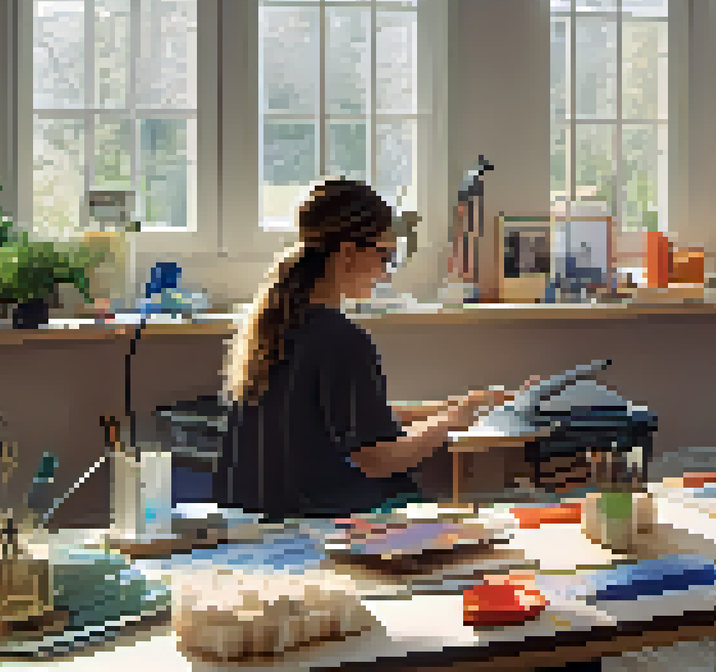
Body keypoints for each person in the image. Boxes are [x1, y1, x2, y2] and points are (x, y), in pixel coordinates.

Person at [216, 178, 526, 519]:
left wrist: (454, 406)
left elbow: (340, 416)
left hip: (262, 516)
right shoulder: (341, 338)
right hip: (318, 519)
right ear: (348, 252)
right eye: (384, 256)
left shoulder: (279, 323)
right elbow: (378, 458)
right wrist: (452, 421)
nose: (385, 272)